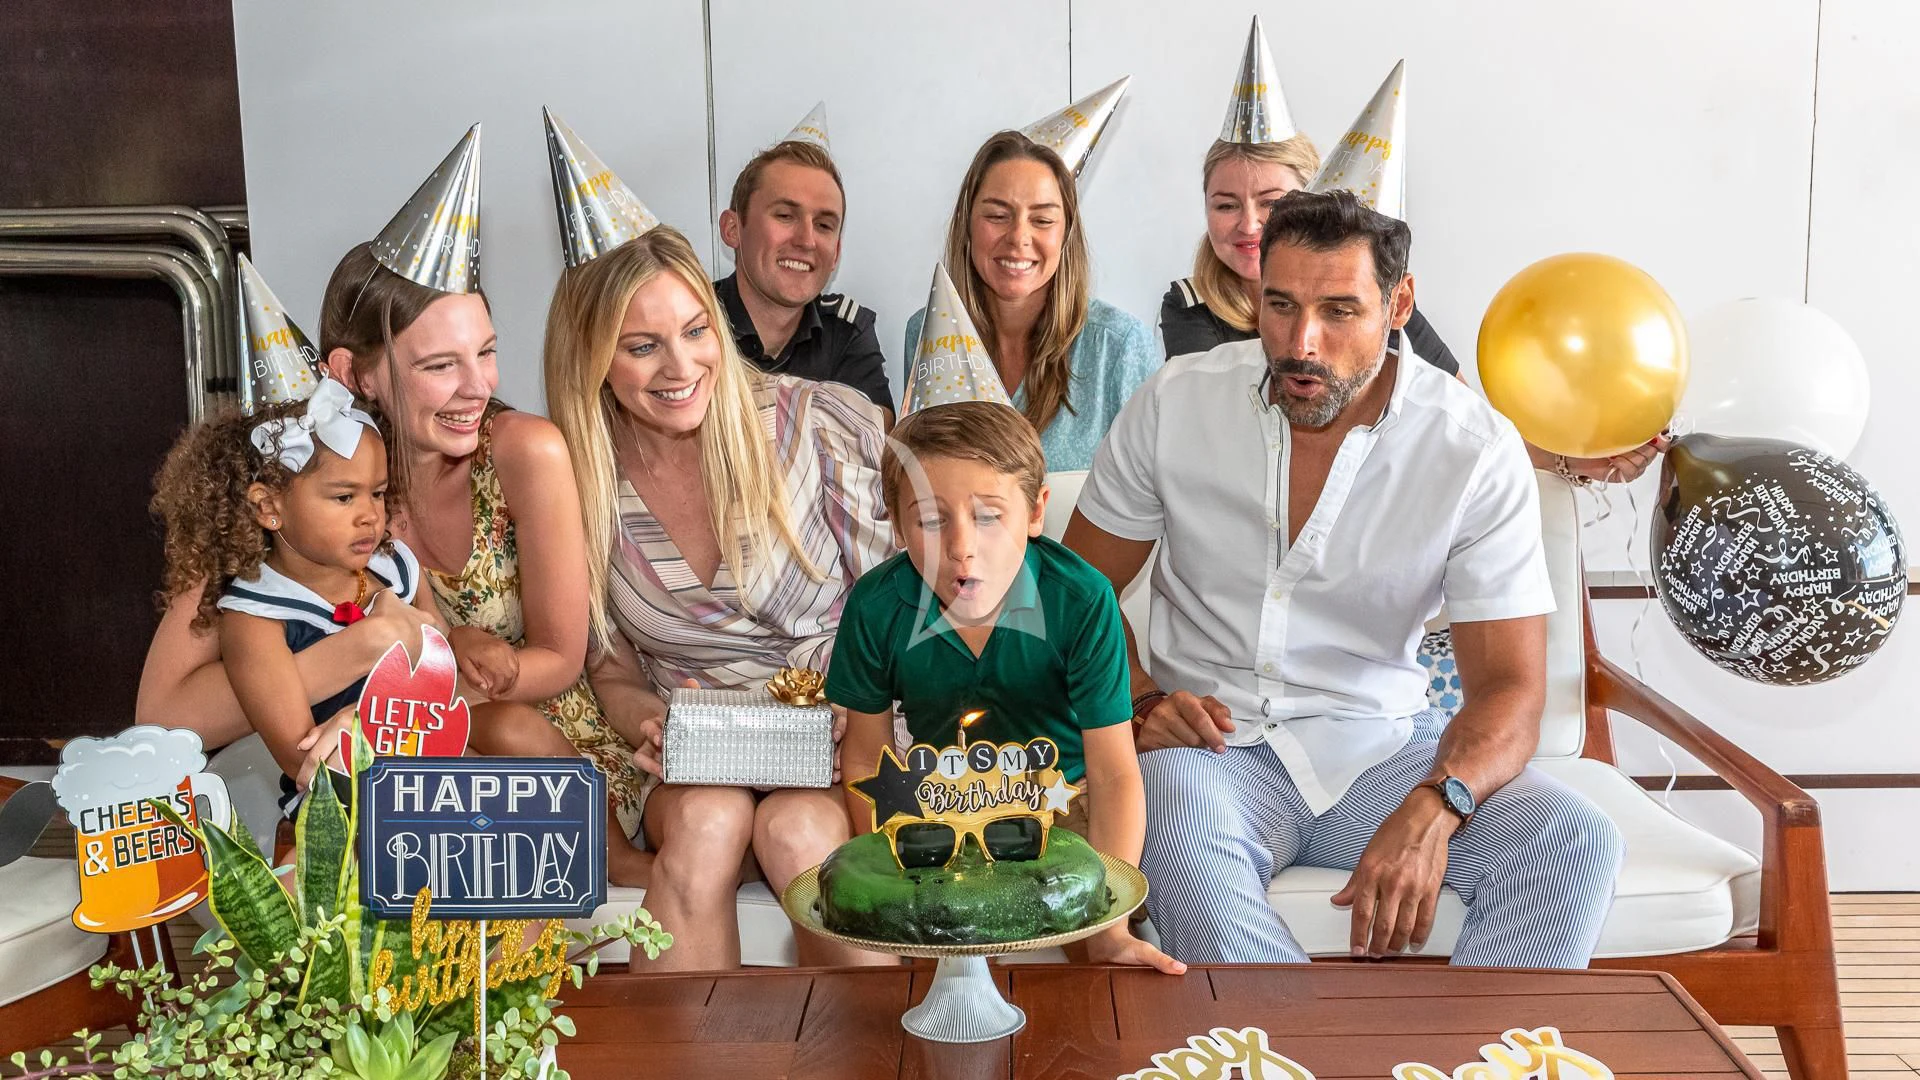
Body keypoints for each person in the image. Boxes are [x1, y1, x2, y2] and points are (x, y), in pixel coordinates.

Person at [1064, 189, 1623, 968]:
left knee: (1574, 838)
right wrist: (1144, 699)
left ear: (1399, 304)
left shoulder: (1473, 448)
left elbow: (1510, 689)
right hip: (1208, 752)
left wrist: (1438, 802)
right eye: (1281, 305)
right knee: (1183, 839)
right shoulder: (1176, 402)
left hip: (1381, 749)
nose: (1302, 342)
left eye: (1339, 310)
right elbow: (1074, 594)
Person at [543, 224, 896, 970]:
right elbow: (608, 666)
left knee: (800, 836)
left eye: (696, 330)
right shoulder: (577, 475)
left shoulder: (818, 422)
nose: (682, 367)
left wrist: (859, 709)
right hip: (697, 757)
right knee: (706, 821)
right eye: (642, 347)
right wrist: (649, 724)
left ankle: (874, 1056)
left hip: (841, 742)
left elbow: (904, 611)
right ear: (594, 357)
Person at [827, 400, 1183, 974]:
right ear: (896, 525)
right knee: (931, 949)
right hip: (938, 809)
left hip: (1068, 799)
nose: (962, 547)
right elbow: (866, 756)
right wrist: (892, 872)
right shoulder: (876, 607)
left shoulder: (1081, 598)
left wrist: (1110, 924)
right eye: (932, 520)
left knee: (1093, 937)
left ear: (1036, 512)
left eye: (988, 516)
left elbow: (1115, 771)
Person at [1162, 140, 1659, 485]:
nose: (1249, 224)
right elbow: (1225, 442)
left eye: (1270, 203)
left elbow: (1468, 425)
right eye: (1225, 205)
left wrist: (1571, 461)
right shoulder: (1189, 309)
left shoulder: (1381, 304)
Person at [148, 383, 445, 810]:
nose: (371, 514)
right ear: (269, 507)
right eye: (344, 497)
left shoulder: (395, 568)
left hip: (427, 759)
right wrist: (368, 700)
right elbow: (301, 757)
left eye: (378, 494)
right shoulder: (253, 615)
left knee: (515, 733)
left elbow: (446, 670)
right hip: (344, 800)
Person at [904, 130, 1158, 472]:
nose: (1019, 238)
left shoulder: (1120, 347)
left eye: (1042, 220)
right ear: (967, 224)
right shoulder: (926, 333)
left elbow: (1155, 495)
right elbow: (916, 479)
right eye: (997, 216)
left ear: (1066, 233)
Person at [717, 139, 894, 417]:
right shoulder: (689, 323)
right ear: (732, 229)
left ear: (836, 252)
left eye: (824, 225)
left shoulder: (847, 329)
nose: (806, 241)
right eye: (786, 216)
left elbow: (875, 432)